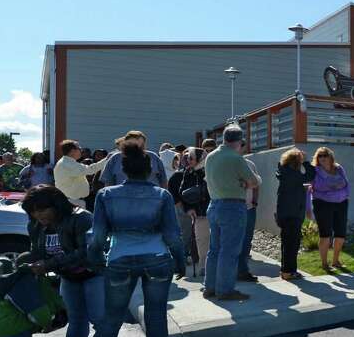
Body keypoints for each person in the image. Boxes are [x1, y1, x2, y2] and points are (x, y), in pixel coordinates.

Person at [76, 141, 186, 337]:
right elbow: (172, 234)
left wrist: (95, 260)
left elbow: (98, 235)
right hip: (157, 258)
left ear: (123, 169)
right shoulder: (162, 195)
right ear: (149, 170)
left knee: (109, 321)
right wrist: (181, 260)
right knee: (156, 319)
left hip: (119, 259)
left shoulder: (106, 195)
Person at [19, 185, 104, 337]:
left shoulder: (81, 218)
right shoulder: (36, 225)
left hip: (94, 274)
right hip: (68, 277)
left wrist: (48, 264)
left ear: (57, 205)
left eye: (42, 209)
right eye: (33, 210)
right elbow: (37, 251)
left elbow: (86, 253)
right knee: (76, 322)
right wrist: (25, 263)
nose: (37, 214)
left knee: (101, 322)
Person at [203, 126, 261, 301]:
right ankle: (225, 290)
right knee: (229, 251)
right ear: (239, 141)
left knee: (214, 250)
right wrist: (246, 182)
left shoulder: (211, 156)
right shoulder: (236, 158)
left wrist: (243, 182)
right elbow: (254, 181)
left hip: (214, 205)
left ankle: (210, 287)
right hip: (232, 207)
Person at [168, 148, 209, 279]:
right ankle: (203, 266)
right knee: (199, 240)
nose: (188, 161)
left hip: (212, 211)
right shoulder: (186, 173)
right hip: (198, 213)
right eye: (187, 158)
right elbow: (181, 192)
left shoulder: (209, 171)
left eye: (191, 158)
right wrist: (187, 209)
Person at [274, 147, 314, 281]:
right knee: (292, 244)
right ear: (297, 162)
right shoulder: (293, 174)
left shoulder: (283, 172)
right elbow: (310, 175)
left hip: (283, 213)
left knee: (286, 243)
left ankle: (286, 270)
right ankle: (288, 272)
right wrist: (307, 162)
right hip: (293, 214)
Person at [311, 146, 350, 271]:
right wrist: (334, 186)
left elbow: (345, 183)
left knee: (341, 234)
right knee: (325, 234)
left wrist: (336, 188)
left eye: (324, 155)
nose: (322, 158)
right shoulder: (315, 171)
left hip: (342, 202)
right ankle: (324, 264)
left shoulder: (338, 168)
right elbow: (318, 187)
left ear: (330, 157)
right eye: (319, 156)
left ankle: (336, 261)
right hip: (322, 203)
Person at [100, 130, 169, 188]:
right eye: (134, 145)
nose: (137, 148)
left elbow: (163, 181)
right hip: (122, 198)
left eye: (141, 145)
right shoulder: (115, 158)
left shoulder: (153, 157)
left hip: (150, 199)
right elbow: (108, 182)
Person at [53, 139, 107, 208]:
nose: (81, 151)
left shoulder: (67, 162)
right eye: (79, 148)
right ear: (73, 151)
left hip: (72, 201)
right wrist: (107, 159)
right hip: (72, 202)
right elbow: (90, 170)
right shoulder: (67, 164)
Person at [236, 157, 261, 282]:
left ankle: (242, 270)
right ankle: (231, 271)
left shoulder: (250, 164)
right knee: (233, 240)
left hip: (249, 208)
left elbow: (256, 184)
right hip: (233, 208)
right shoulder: (227, 163)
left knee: (246, 240)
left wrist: (255, 200)